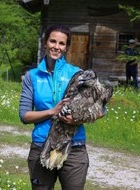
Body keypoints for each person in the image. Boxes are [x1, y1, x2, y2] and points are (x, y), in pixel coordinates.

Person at [19, 24, 104, 190]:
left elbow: (101, 110)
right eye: (52, 41)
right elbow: (24, 116)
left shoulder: (78, 74)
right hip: (42, 144)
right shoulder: (32, 76)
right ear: (45, 43)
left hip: (74, 146)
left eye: (61, 43)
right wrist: (53, 111)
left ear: (66, 47)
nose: (56, 47)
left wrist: (76, 119)